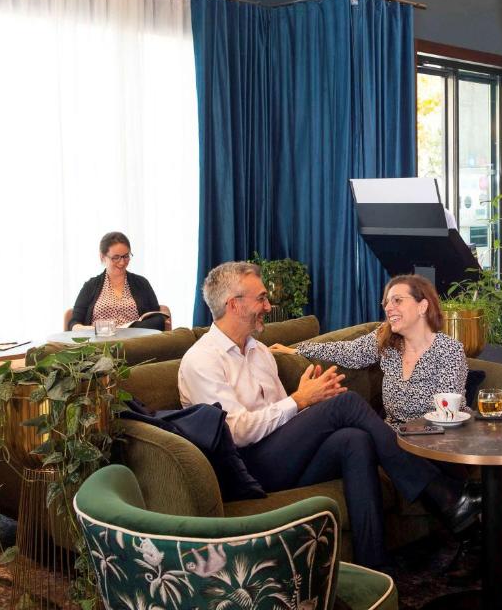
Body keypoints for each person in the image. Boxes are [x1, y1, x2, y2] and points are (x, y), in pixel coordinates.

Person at [178, 261, 479, 570]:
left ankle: (374, 568)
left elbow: (286, 419)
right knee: (346, 403)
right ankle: (443, 494)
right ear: (233, 304)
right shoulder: (202, 359)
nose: (268, 306)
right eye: (261, 298)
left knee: (355, 439)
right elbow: (236, 434)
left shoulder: (260, 352)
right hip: (246, 470)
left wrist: (308, 403)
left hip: (281, 458)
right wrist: (299, 400)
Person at [272, 274, 467, 423]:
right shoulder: (388, 342)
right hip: (394, 438)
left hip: (435, 442)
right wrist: (297, 350)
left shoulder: (449, 350)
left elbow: (447, 417)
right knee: (354, 437)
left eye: (397, 300)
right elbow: (347, 351)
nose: (388, 307)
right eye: (386, 302)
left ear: (422, 306)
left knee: (351, 406)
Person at [68, 232, 166, 331]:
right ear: (102, 257)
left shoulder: (142, 283)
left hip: (134, 343)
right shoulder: (90, 286)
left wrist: (127, 328)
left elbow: (157, 318)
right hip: (101, 343)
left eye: (126, 256)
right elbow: (74, 322)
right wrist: (90, 330)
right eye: (116, 257)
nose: (122, 262)